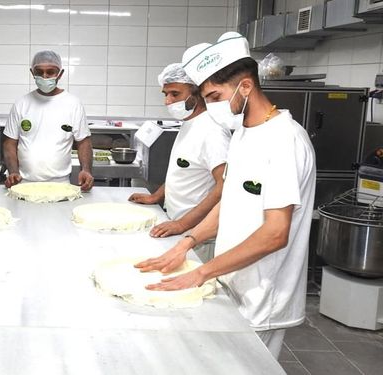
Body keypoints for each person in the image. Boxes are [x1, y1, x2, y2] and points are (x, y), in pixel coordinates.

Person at [135, 32, 316, 358]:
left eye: (216, 96)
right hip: (232, 280)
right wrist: (187, 243)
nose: (212, 107)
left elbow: (275, 233)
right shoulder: (245, 133)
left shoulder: (285, 140)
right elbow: (229, 201)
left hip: (263, 296)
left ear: (245, 86)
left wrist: (202, 271)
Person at [128, 64, 230, 248]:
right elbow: (182, 172)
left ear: (198, 93)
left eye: (175, 94)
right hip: (178, 228)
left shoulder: (213, 132)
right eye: (165, 94)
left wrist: (182, 224)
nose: (167, 101)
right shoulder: (189, 123)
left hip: (198, 236)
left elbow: (225, 186)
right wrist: (156, 196)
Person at [3, 50, 94, 191]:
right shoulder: (21, 104)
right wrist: (13, 172)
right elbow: (10, 143)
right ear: (32, 73)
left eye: (50, 72)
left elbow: (83, 142)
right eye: (39, 72)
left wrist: (86, 170)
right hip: (23, 184)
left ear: (60, 74)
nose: (44, 77)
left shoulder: (73, 104)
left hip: (61, 185)